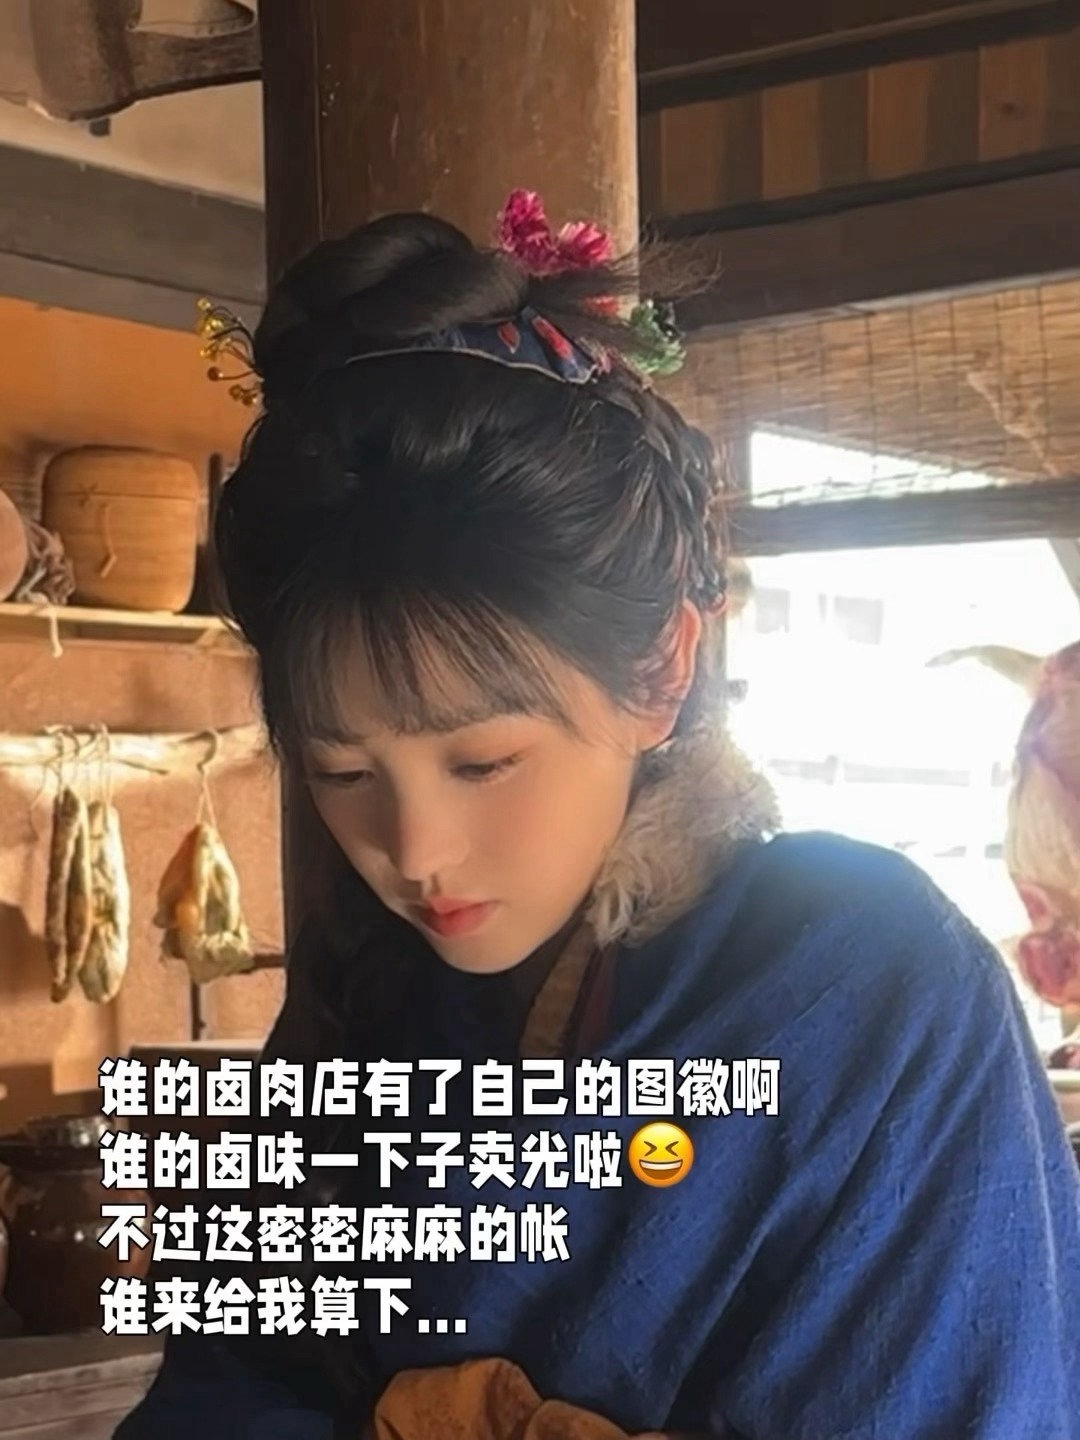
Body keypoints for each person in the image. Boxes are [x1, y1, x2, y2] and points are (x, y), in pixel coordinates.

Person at [115, 193, 1080, 1440]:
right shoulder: (364, 994)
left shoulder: (863, 982)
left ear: (663, 668)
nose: (415, 853)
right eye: (343, 772)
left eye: (483, 763)